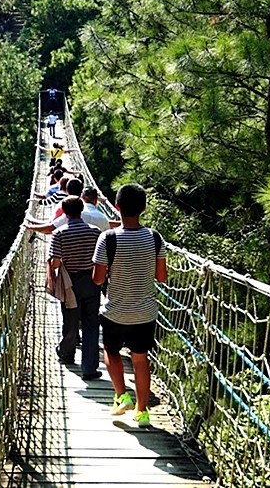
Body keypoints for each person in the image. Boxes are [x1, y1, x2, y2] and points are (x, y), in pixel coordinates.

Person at [92, 183, 167, 428]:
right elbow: (161, 276)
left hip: (115, 311)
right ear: (143, 208)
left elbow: (99, 279)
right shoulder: (155, 238)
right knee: (140, 359)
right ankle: (142, 412)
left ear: (117, 207)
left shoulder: (108, 238)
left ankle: (121, 395)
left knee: (111, 352)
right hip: (145, 312)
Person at [48, 196, 103, 380]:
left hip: (70, 284)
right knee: (91, 324)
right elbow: (101, 259)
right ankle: (89, 368)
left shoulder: (59, 233)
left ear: (64, 212)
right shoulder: (95, 232)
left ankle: (67, 353)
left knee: (70, 320)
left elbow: (55, 263)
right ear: (82, 210)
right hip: (92, 282)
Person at [26, 187, 119, 234]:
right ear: (96, 200)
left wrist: (30, 227)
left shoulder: (75, 211)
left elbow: (50, 228)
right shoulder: (103, 218)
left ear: (82, 198)